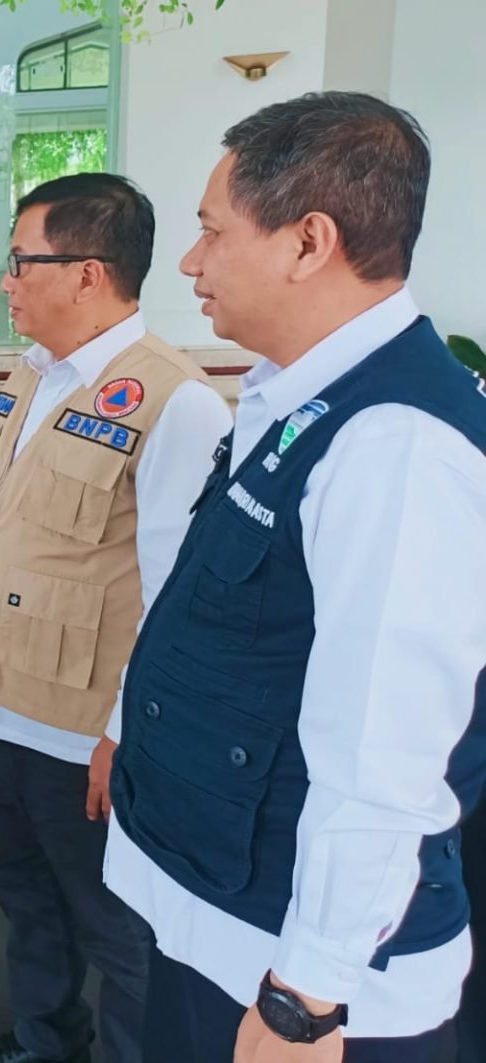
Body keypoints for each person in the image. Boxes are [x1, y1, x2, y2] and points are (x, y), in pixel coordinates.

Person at [105, 91, 486, 1063]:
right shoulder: (302, 398)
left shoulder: (395, 441)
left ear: (309, 241)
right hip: (223, 920)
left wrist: (303, 1002)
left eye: (212, 231)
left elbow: (384, 752)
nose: (190, 261)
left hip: (301, 985)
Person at [0, 175, 230, 1063]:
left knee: (115, 929)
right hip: (1, 704)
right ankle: (46, 1040)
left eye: (21, 261)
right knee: (26, 898)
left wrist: (127, 733)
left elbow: (178, 594)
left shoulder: (176, 401)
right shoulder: (32, 373)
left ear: (88, 274)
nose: (6, 281)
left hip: (84, 731)